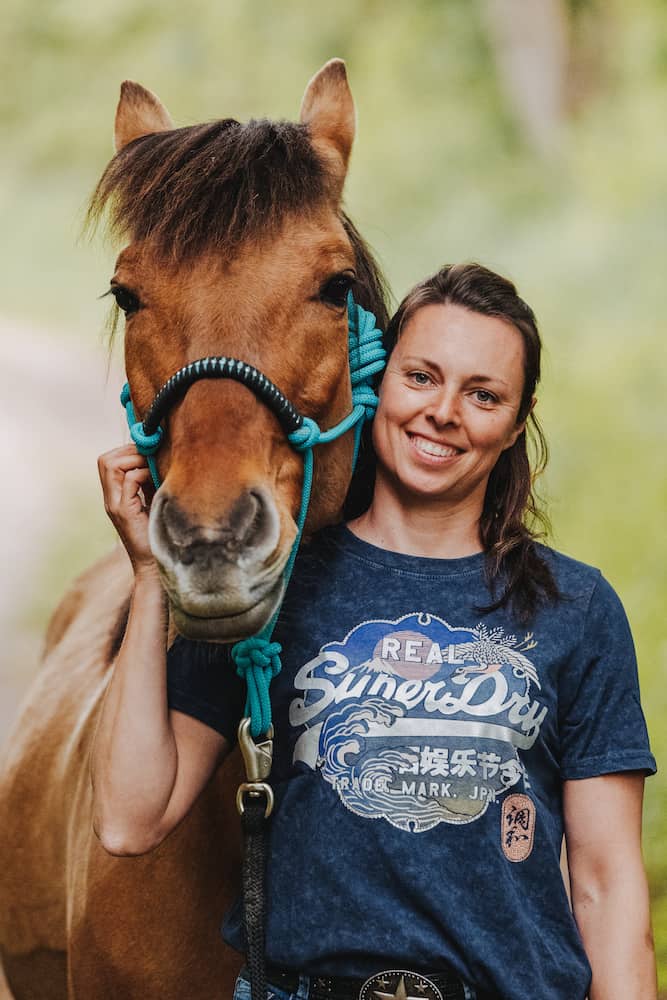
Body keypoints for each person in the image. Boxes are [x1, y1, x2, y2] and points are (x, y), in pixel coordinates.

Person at [93, 263, 657, 1000]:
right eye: (420, 377)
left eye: (481, 394)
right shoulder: (275, 581)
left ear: (516, 422)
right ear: (374, 383)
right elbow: (130, 819)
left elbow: (606, 885)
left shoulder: (574, 607)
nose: (444, 411)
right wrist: (147, 574)